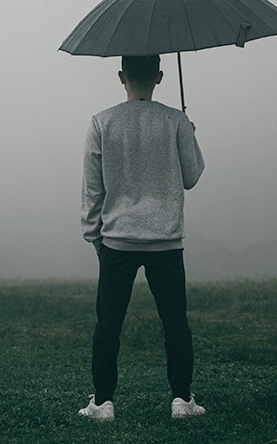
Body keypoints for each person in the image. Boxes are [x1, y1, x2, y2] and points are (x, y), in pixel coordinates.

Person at [76, 54, 207, 421]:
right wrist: (189, 135)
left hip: (117, 239)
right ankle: (182, 400)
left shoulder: (102, 122)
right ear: (160, 76)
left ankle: (102, 403)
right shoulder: (175, 120)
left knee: (109, 323)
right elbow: (191, 176)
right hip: (166, 240)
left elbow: (93, 186)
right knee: (175, 322)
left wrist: (93, 234)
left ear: (121, 76)